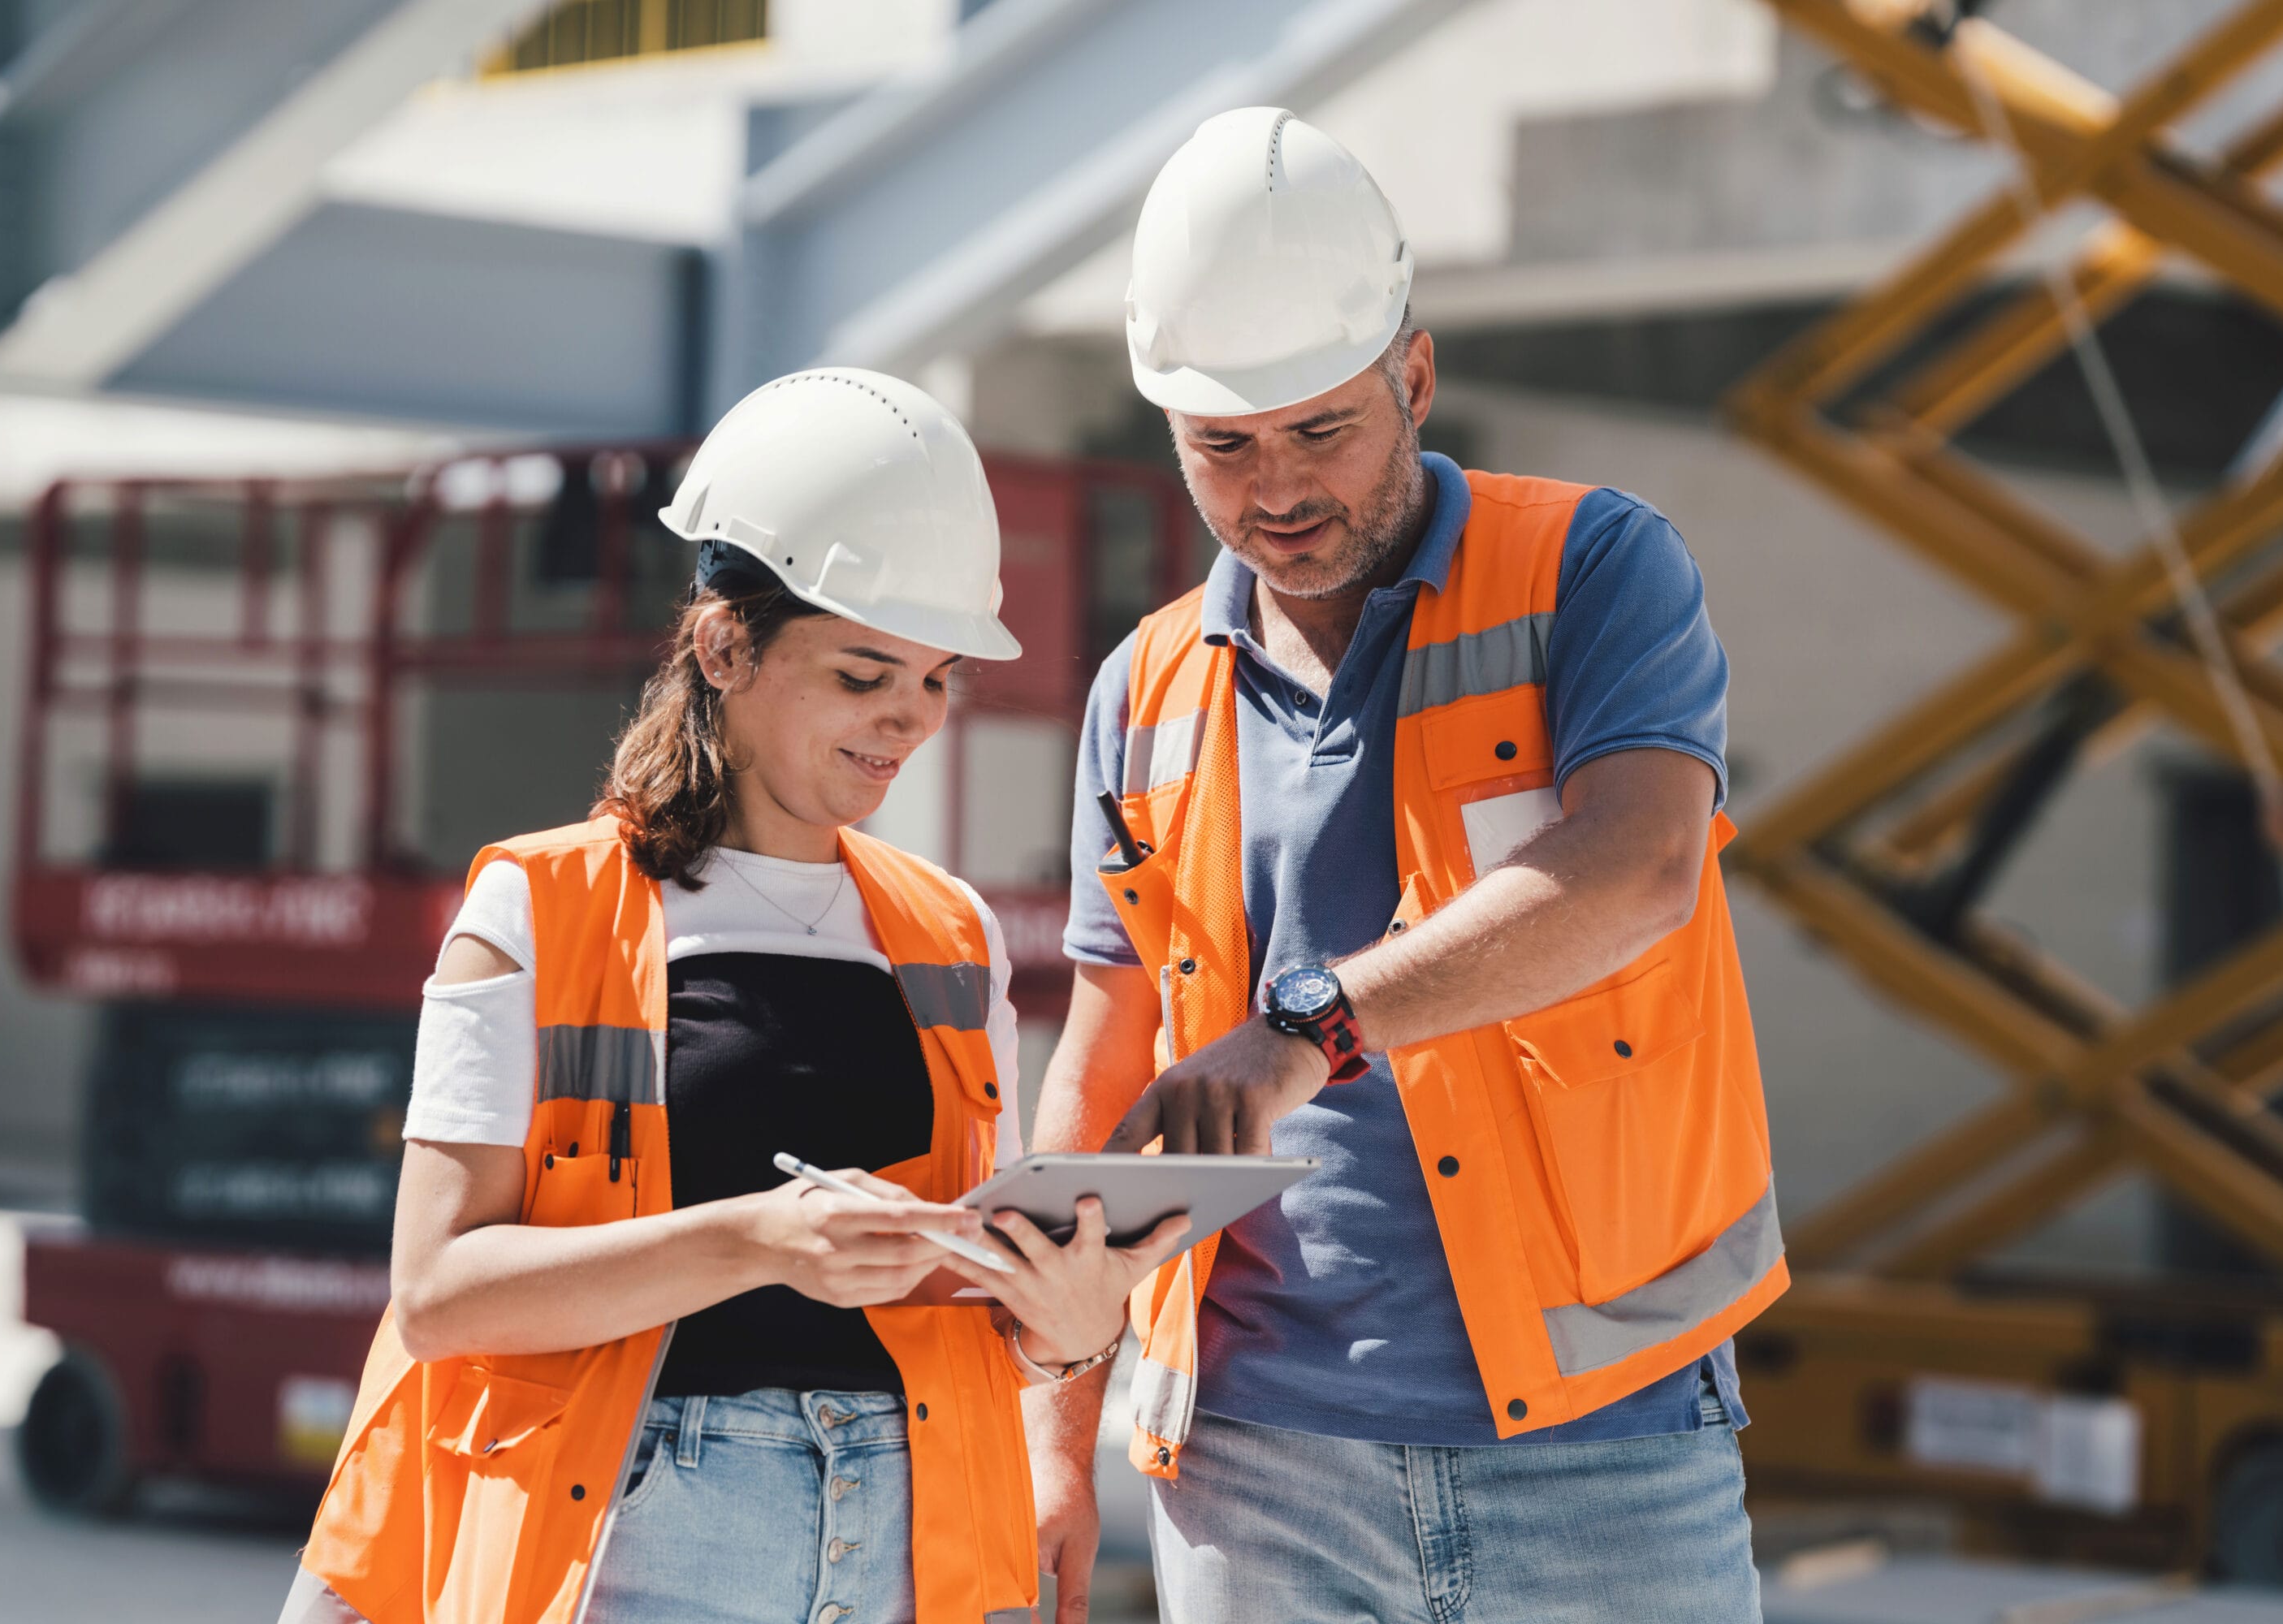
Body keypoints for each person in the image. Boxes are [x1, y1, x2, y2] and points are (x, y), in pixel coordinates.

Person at [1023, 110, 1783, 1622]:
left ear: (1415, 379)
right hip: (1251, 1463)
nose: (1276, 488)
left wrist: (1307, 1029)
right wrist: (1053, 1443)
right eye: (1222, 448)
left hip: (1606, 1437)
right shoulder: (1146, 691)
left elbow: (1636, 873)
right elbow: (1106, 1064)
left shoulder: (1594, 571)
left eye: (1323, 430)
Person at [279, 369, 1187, 1624]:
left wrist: (1067, 1325)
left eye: (934, 680)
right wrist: (756, 1242)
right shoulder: (537, 910)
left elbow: (967, 1306)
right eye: (864, 676)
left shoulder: (950, 933)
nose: (909, 722)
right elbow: (439, 1295)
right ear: (724, 644)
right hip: (647, 1535)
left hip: (913, 1542)